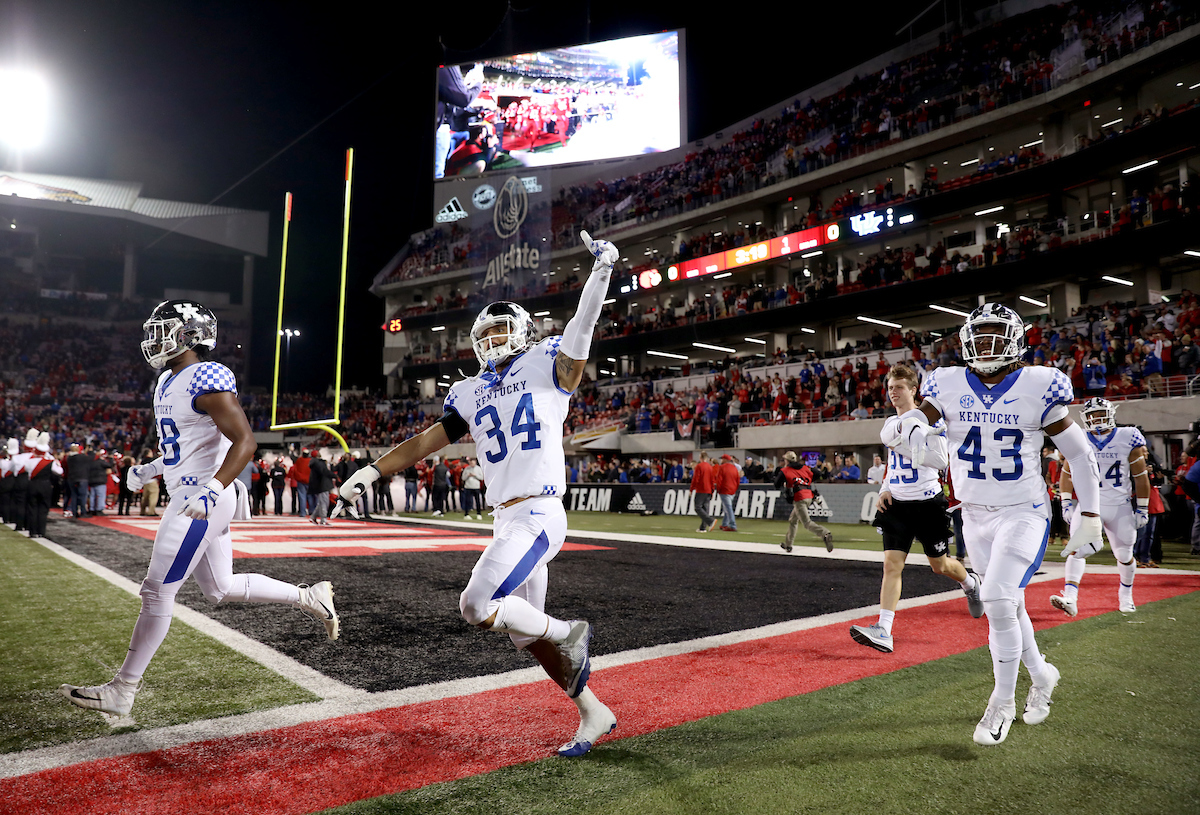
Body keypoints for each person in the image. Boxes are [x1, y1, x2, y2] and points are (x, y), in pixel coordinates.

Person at [334, 231, 621, 757]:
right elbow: (426, 440)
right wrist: (371, 473)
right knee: (526, 636)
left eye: (499, 331)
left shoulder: (547, 363)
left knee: (477, 604)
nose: (490, 341)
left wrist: (600, 273)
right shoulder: (469, 389)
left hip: (539, 510)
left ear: (524, 331)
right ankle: (592, 711)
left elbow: (581, 330)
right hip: (504, 517)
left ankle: (571, 631)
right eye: (483, 335)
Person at [60, 300, 341, 722]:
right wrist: (152, 467)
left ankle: (123, 690)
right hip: (193, 492)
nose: (153, 339)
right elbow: (185, 448)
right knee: (219, 588)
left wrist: (211, 489)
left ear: (189, 334)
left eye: (163, 330)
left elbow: (246, 442)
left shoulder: (206, 376)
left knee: (157, 591)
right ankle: (309, 596)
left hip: (203, 497)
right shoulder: (166, 381)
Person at [903, 303, 1103, 746]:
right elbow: (923, 416)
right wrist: (910, 425)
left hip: (1023, 511)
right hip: (973, 514)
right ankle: (1042, 674)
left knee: (995, 596)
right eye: (981, 333)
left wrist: (1089, 513)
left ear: (1016, 340)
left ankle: (1002, 702)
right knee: (1009, 605)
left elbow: (1080, 453)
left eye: (998, 333)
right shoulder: (947, 381)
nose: (988, 342)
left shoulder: (1038, 384)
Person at [850, 365, 982, 654]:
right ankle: (884, 629)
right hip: (896, 503)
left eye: (899, 387)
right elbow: (892, 462)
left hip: (927, 502)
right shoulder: (890, 422)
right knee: (891, 565)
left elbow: (939, 461)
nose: (893, 392)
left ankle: (971, 583)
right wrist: (885, 487)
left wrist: (905, 441)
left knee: (940, 565)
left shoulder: (934, 423)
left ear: (913, 390)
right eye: (890, 387)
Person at [1053, 398, 1150, 615]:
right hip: (1089, 504)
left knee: (1124, 554)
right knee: (1076, 550)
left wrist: (1142, 507)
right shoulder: (1079, 437)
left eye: (1100, 413)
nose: (1096, 418)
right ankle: (1070, 598)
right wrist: (1066, 502)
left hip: (1119, 505)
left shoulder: (1128, 436)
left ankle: (1126, 596)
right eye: (1092, 415)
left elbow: (1140, 476)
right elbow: (1067, 473)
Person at [775, 451, 832, 552]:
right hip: (809, 496)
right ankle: (788, 545)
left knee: (807, 523)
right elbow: (818, 473)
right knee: (793, 520)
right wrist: (807, 480)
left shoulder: (785, 470)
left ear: (787, 460)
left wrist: (785, 483)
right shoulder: (805, 467)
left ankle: (825, 533)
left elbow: (776, 484)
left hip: (799, 498)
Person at [690, 451, 718, 533]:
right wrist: (712, 491)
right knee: (705, 508)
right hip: (708, 490)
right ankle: (703, 527)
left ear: (700, 458)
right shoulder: (710, 467)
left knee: (698, 507)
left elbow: (696, 479)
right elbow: (712, 480)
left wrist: (692, 489)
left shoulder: (699, 466)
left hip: (701, 489)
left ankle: (710, 521)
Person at [716, 454, 740, 532]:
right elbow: (737, 480)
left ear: (725, 460)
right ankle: (724, 524)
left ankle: (733, 525)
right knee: (727, 507)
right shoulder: (734, 468)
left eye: (722, 459)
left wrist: (718, 490)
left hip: (724, 490)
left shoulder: (721, 467)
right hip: (732, 490)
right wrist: (735, 489)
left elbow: (719, 480)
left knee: (728, 508)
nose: (721, 460)